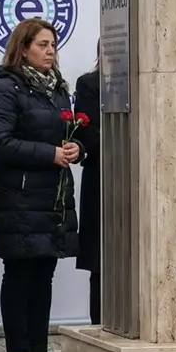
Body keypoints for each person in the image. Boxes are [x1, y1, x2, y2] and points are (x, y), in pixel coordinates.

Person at [0, 18, 81, 352]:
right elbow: (0, 142)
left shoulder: (57, 88)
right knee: (20, 277)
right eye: (42, 44)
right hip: (19, 200)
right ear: (23, 49)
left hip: (52, 199)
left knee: (44, 277)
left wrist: (75, 149)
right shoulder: (6, 88)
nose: (50, 51)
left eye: (53, 44)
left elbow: (69, 137)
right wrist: (49, 153)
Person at [74, 49, 102, 325]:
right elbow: (89, 138)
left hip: (145, 186)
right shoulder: (90, 84)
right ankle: (101, 327)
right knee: (102, 266)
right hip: (102, 184)